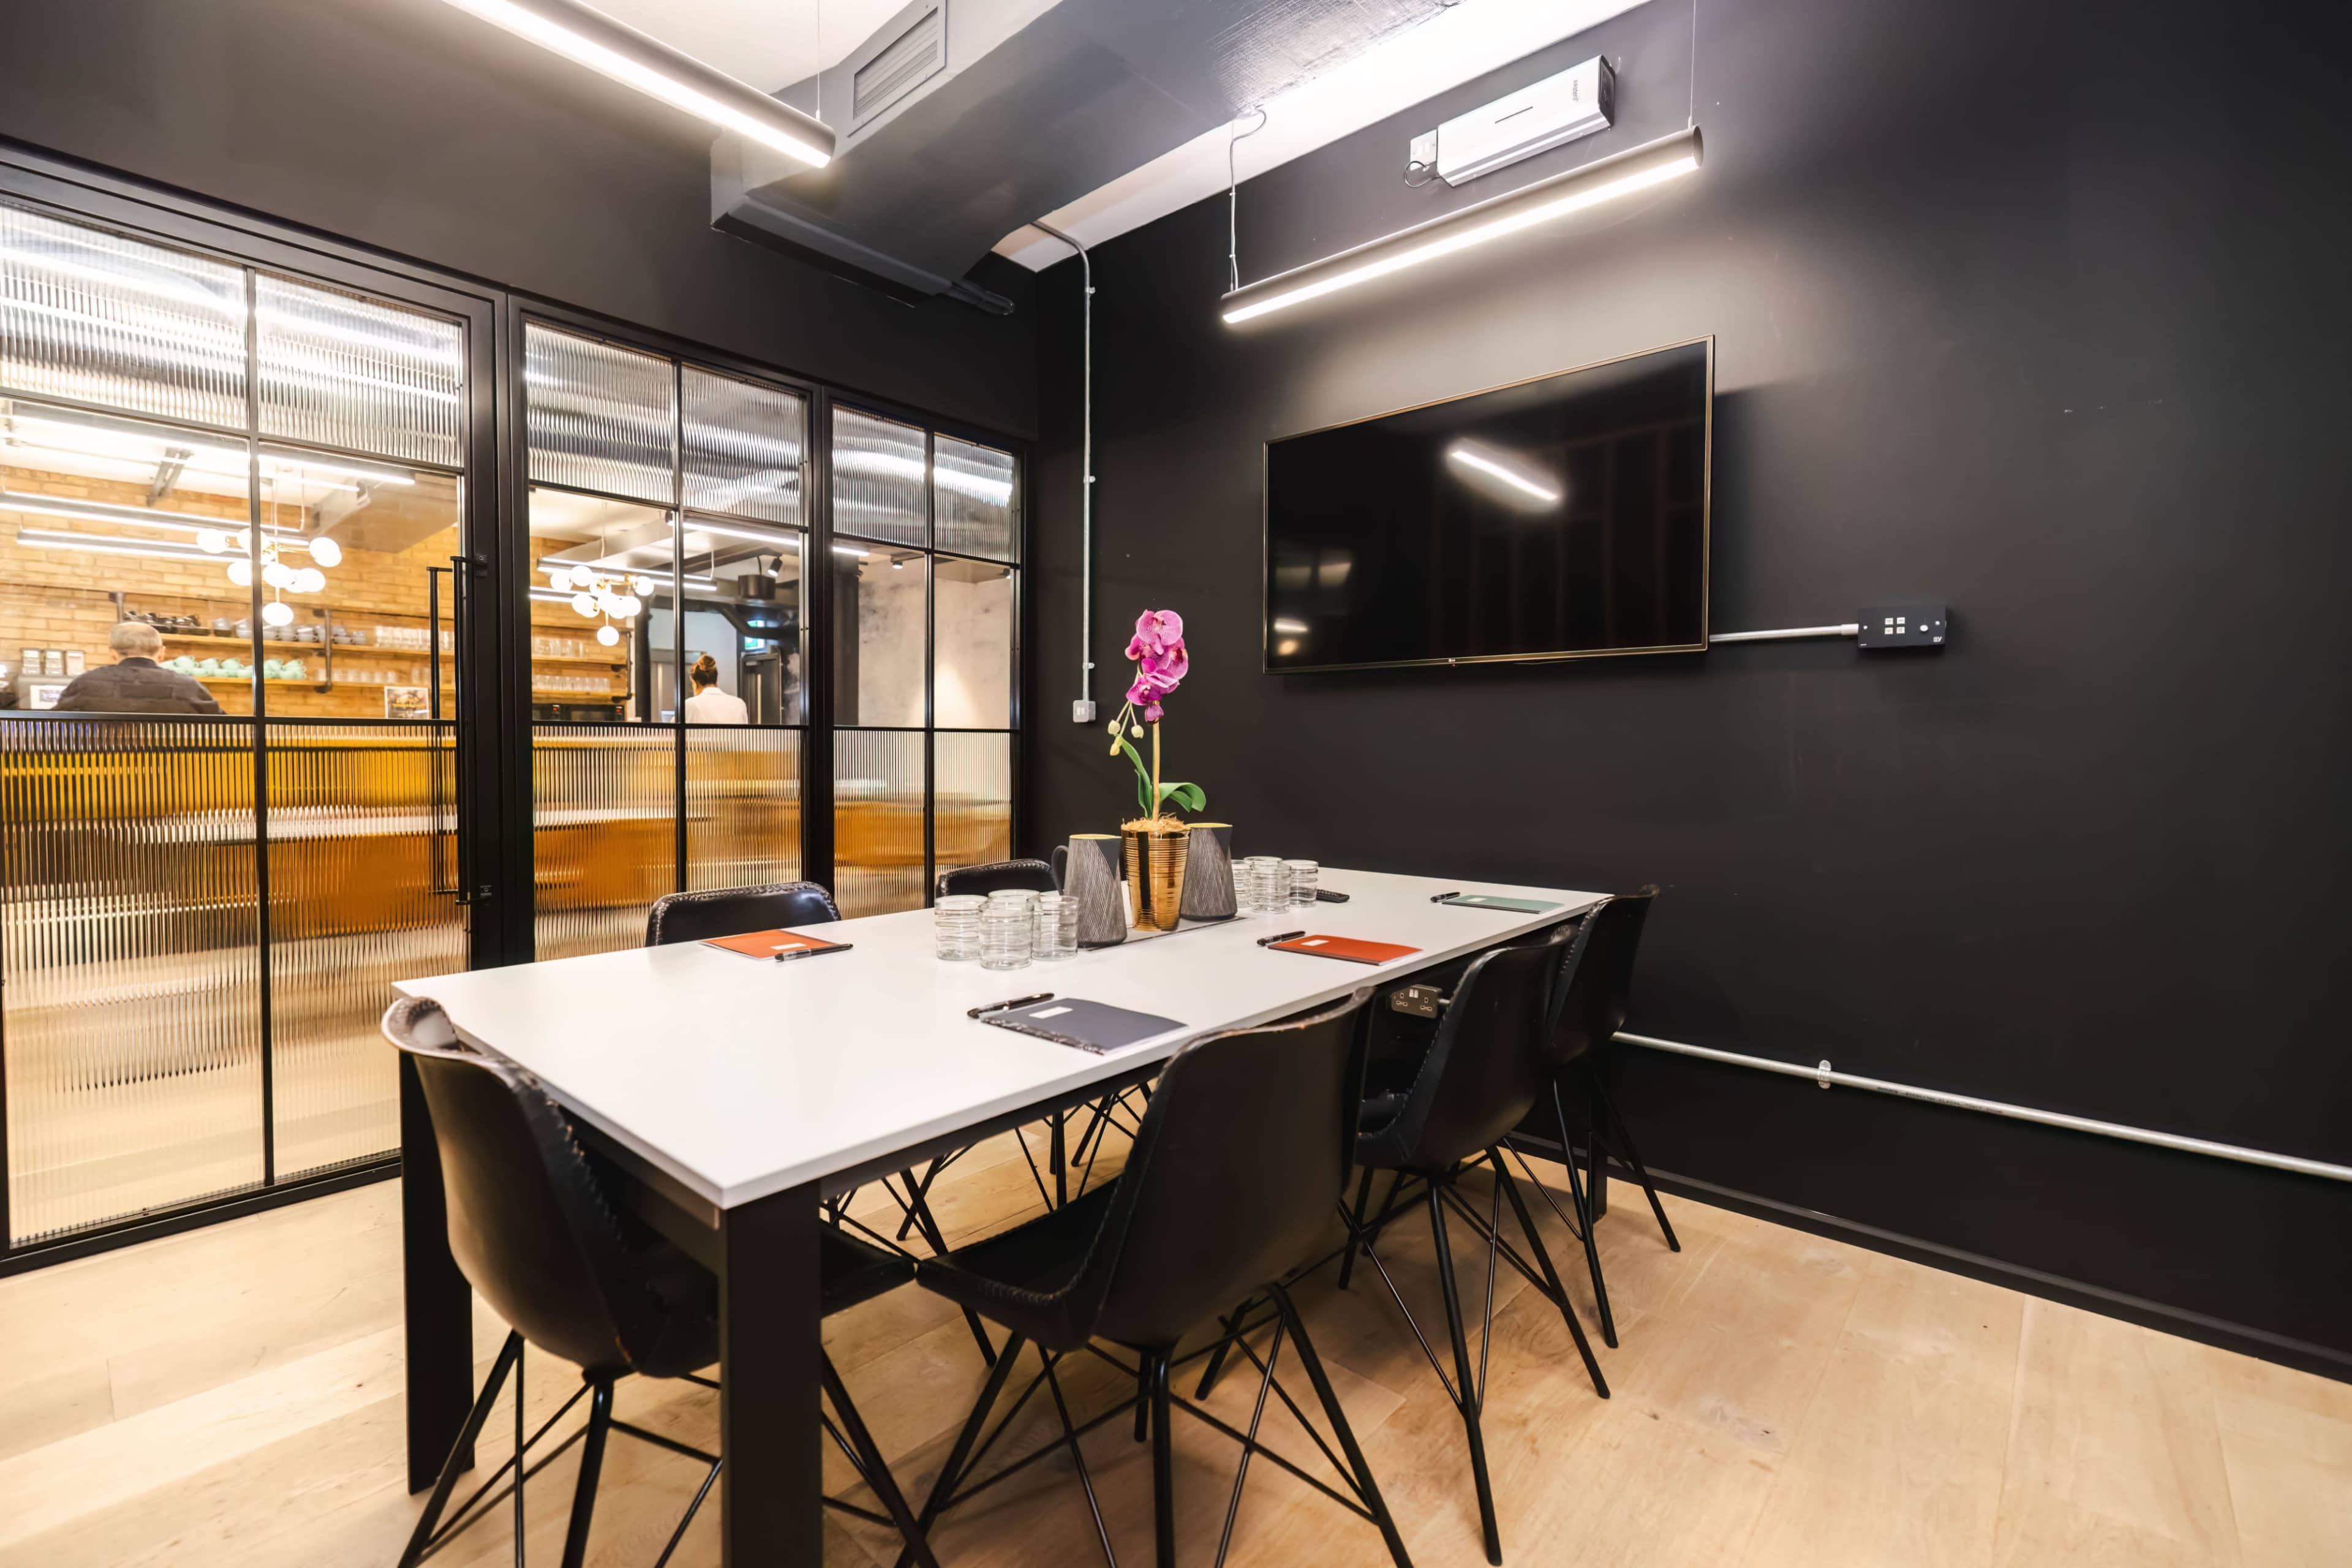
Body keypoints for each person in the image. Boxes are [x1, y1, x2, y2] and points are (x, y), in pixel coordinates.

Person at [51, 622, 225, 714]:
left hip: (102, 770)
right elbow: (226, 729)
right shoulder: (189, 687)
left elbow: (51, 727)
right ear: (161, 653)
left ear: (112, 653)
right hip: (177, 769)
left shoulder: (86, 684)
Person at [682, 652, 747, 723]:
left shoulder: (689, 705)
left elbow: (673, 729)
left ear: (694, 683)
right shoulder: (740, 704)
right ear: (716, 680)